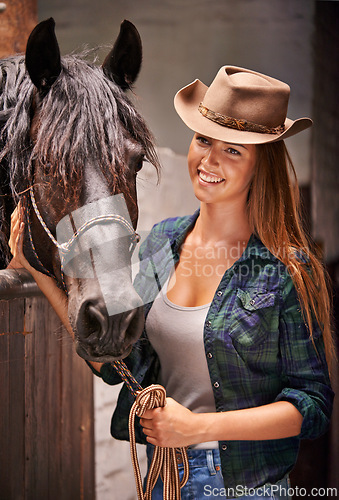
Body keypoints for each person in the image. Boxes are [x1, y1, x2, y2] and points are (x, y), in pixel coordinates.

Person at [9, 65, 334, 500]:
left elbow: (312, 405)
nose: (209, 160)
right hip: (167, 482)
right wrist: (34, 272)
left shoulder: (287, 268)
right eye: (204, 140)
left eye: (233, 151)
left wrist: (197, 427)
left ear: (261, 164)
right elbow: (117, 361)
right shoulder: (162, 242)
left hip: (248, 488)